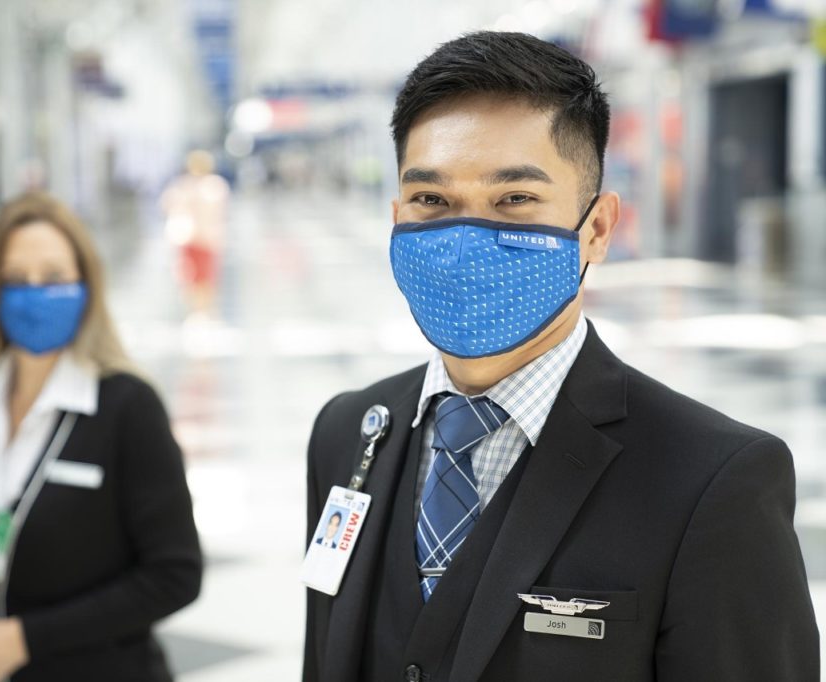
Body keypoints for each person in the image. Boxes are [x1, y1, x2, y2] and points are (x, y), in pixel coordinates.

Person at [302, 32, 819, 682]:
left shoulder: (713, 482)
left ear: (597, 229)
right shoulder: (348, 432)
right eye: (431, 200)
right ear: (396, 214)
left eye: (515, 200)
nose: (464, 241)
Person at [0, 192, 202, 682]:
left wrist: (23, 640)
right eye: (15, 279)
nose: (33, 292)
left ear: (85, 286)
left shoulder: (127, 409)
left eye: (52, 277)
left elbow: (174, 575)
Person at [160, 150, 230, 318]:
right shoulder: (187, 185)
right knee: (192, 277)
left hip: (203, 238)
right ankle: (198, 310)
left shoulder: (209, 186)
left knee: (201, 277)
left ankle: (201, 310)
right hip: (193, 238)